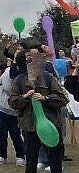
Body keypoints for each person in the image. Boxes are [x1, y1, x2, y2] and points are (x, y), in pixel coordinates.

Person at [8, 43, 69, 173]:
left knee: (55, 162)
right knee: (31, 163)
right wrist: (25, 97)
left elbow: (63, 98)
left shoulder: (48, 78)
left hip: (51, 125)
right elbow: (12, 102)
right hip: (30, 127)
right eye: (30, 59)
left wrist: (45, 98)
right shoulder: (19, 80)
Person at [0, 52, 26, 167]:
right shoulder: (8, 72)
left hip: (15, 107)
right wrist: (23, 96)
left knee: (15, 132)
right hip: (1, 104)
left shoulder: (24, 73)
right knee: (2, 131)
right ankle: (2, 156)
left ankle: (20, 156)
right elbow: (8, 89)